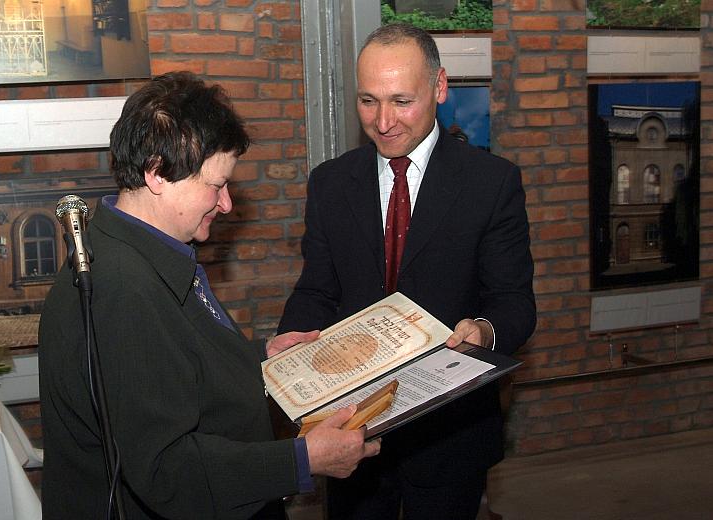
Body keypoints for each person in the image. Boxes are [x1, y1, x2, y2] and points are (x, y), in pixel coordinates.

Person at [38, 71, 380, 520]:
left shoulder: (139, 249)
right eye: (215, 185)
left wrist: (262, 356)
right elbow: (166, 471)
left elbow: (173, 368)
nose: (226, 205)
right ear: (157, 173)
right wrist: (303, 459)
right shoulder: (122, 288)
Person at [278, 24, 536, 520]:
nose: (383, 121)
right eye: (368, 101)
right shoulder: (330, 184)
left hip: (450, 434)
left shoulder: (491, 183)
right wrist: (294, 340)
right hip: (355, 428)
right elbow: (317, 289)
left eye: (401, 100)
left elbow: (515, 304)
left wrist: (484, 329)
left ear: (439, 88)